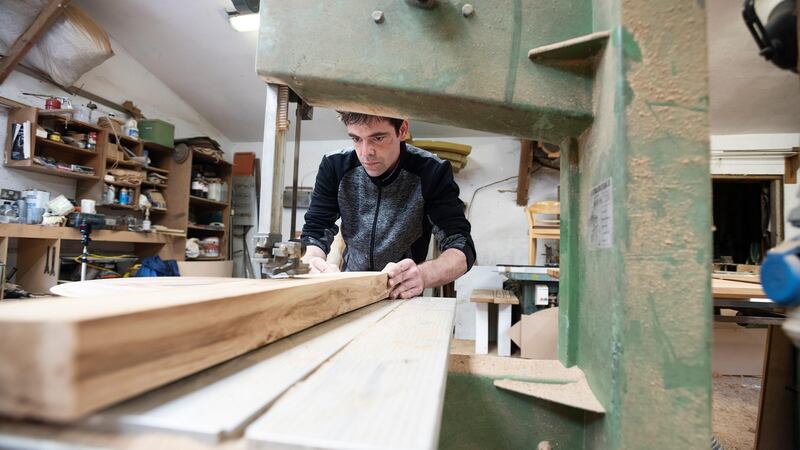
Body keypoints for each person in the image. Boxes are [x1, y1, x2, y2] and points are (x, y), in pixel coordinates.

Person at [300, 111, 476, 299]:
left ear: (402, 130)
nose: (366, 152)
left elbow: (461, 247)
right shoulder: (334, 166)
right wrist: (312, 260)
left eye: (378, 138)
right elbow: (315, 232)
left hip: (401, 293)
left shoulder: (432, 171)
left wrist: (423, 275)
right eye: (356, 139)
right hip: (350, 287)